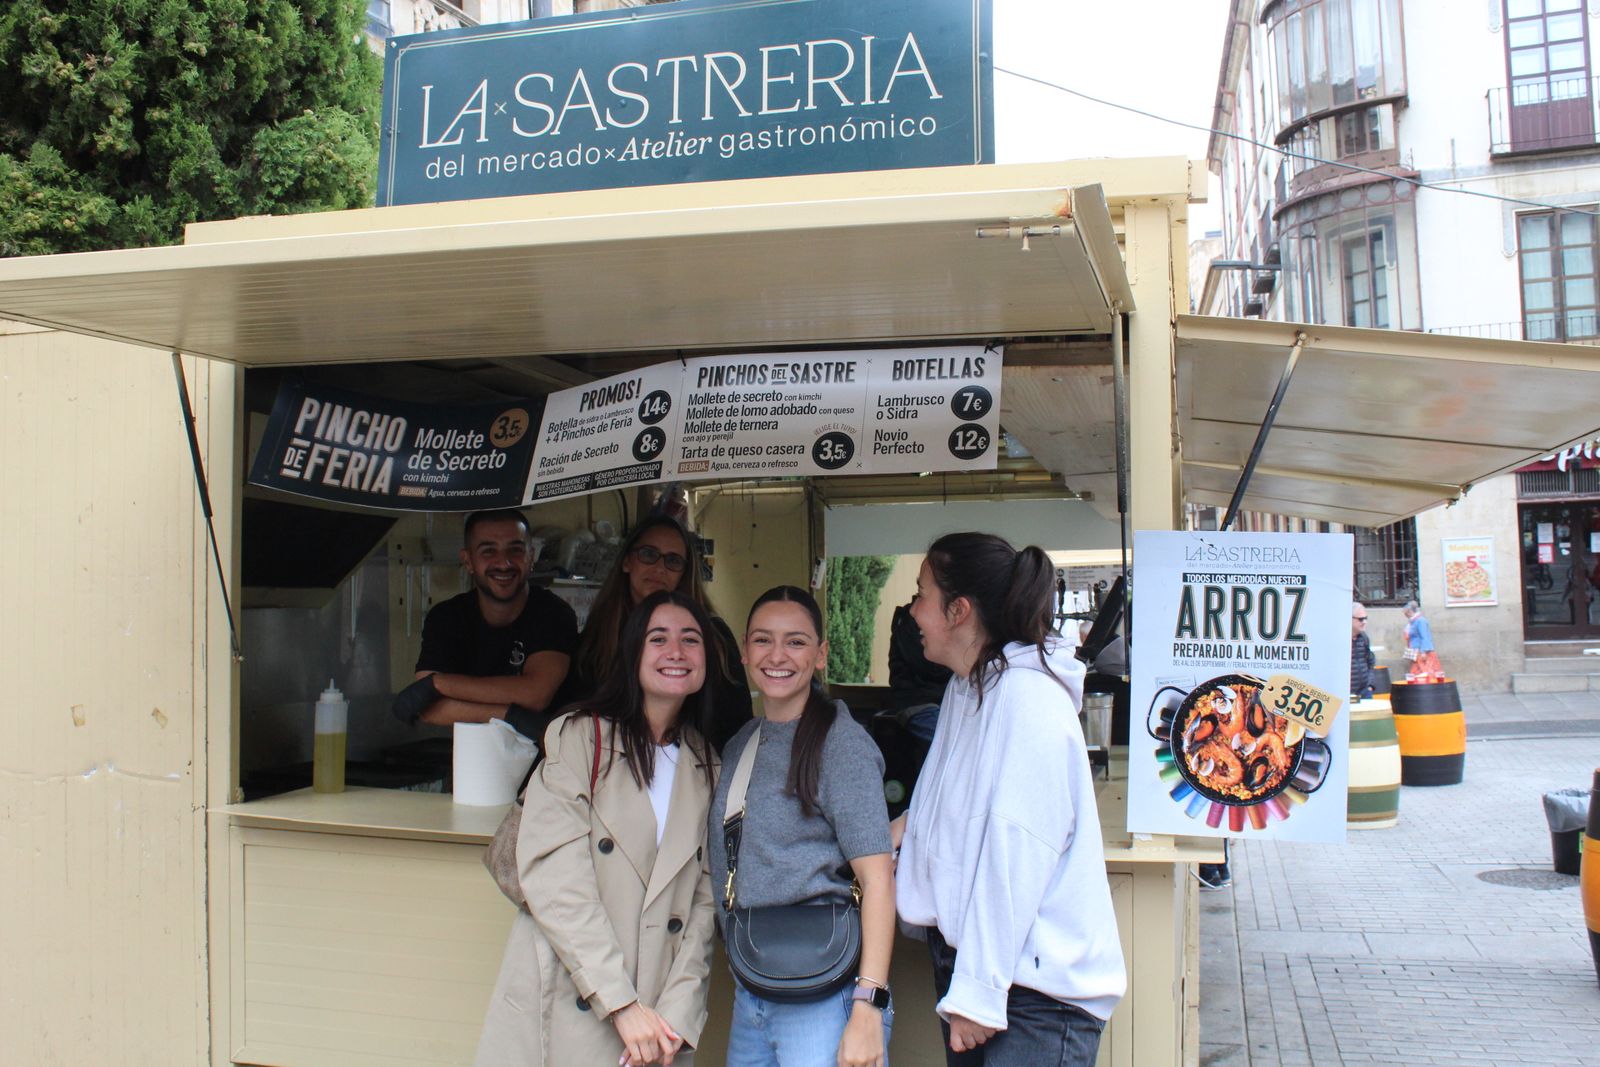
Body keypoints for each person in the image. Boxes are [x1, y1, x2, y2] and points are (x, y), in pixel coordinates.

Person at [894, 532, 1125, 1066]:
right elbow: (944, 805)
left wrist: (979, 990)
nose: (913, 610)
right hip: (990, 976)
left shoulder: (1027, 701)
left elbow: (1016, 851)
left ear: (959, 610)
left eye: (921, 593)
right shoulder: (967, 689)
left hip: (1030, 998)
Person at [475, 590, 719, 1067]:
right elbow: (557, 880)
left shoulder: (707, 764)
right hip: (576, 992)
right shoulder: (579, 738)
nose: (676, 652)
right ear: (632, 654)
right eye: (658, 639)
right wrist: (622, 1005)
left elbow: (702, 907)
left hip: (656, 1026)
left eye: (691, 640)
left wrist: (674, 1019)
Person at [710, 586, 895, 1067]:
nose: (777, 656)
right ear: (745, 652)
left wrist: (868, 1008)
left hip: (826, 996)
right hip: (755, 985)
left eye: (795, 642)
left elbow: (878, 878)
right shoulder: (743, 743)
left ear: (820, 655)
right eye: (763, 641)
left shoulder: (841, 743)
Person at [562, 514, 752, 752]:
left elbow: (736, 727)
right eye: (649, 554)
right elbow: (574, 710)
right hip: (607, 771)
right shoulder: (598, 634)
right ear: (627, 561)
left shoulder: (713, 636)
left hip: (697, 774)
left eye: (673, 561)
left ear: (684, 572)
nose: (660, 568)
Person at [391, 508, 577, 740]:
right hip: (474, 761)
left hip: (548, 765)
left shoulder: (552, 613)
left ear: (531, 557)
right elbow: (425, 707)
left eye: (515, 550)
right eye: (488, 551)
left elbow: (535, 694)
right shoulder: (447, 617)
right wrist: (509, 715)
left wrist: (439, 684)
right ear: (468, 561)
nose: (503, 562)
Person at [888, 600, 952, 742]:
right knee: (949, 743)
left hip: (942, 702)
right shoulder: (909, 620)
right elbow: (933, 669)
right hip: (917, 703)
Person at [1402, 600, 1444, 683]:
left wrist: (1423, 652)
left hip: (1423, 652)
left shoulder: (1420, 621)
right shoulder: (1413, 621)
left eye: (1406, 612)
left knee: (1426, 673)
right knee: (1417, 674)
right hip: (1416, 652)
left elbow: (1425, 637)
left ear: (1410, 611)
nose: (1405, 614)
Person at [1351, 601, 1375, 699]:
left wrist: (1370, 685)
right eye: (1360, 619)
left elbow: (1371, 662)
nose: (1364, 622)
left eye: (1366, 618)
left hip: (1364, 692)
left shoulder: (1364, 638)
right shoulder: (1338, 640)